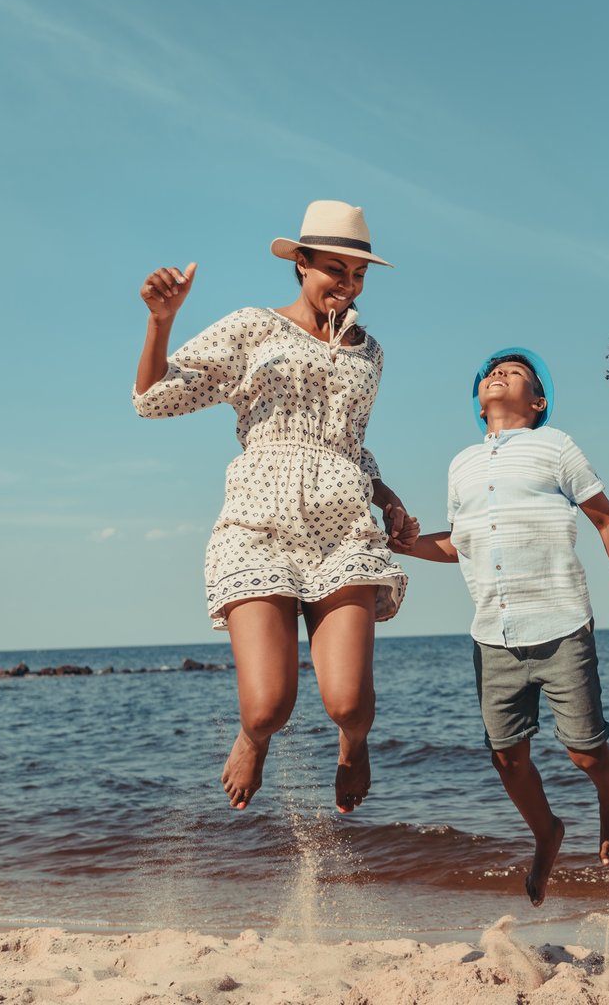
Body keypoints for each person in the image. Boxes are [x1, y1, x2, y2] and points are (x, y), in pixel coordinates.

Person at [133, 200, 418, 815]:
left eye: (358, 275)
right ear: (302, 264)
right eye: (334, 271)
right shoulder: (253, 328)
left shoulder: (371, 353)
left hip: (341, 526)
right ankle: (253, 740)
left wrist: (386, 496)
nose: (346, 286)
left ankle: (353, 744)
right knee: (269, 707)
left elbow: (351, 445)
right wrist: (162, 322)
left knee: (349, 703)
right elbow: (152, 398)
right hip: (259, 520)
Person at [405, 348, 609, 906]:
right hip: (492, 635)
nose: (497, 375)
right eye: (490, 373)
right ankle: (546, 831)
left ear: (538, 400)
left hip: (562, 623)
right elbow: (458, 543)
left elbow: (608, 520)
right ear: (479, 402)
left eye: (514, 372)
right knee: (506, 755)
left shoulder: (555, 445)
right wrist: (404, 545)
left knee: (586, 752)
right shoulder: (461, 464)